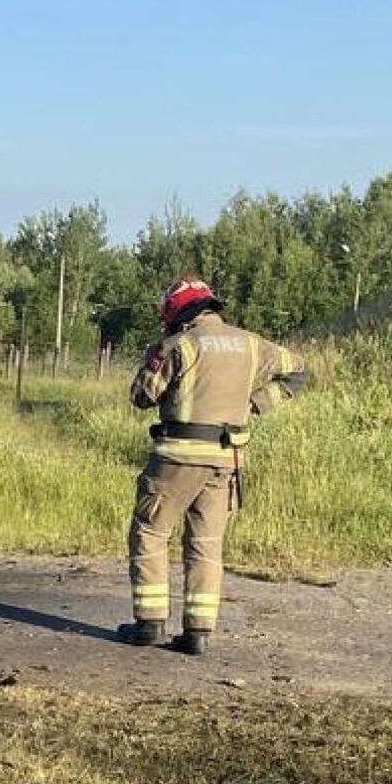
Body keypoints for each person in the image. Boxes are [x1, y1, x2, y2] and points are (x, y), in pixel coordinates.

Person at [121, 276, 308, 655]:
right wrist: (256, 404)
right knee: (206, 544)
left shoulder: (177, 345)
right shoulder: (252, 343)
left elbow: (142, 396)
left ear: (175, 311)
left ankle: (150, 623)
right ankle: (198, 633)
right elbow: (300, 371)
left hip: (176, 457)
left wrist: (152, 358)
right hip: (227, 458)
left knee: (150, 533)